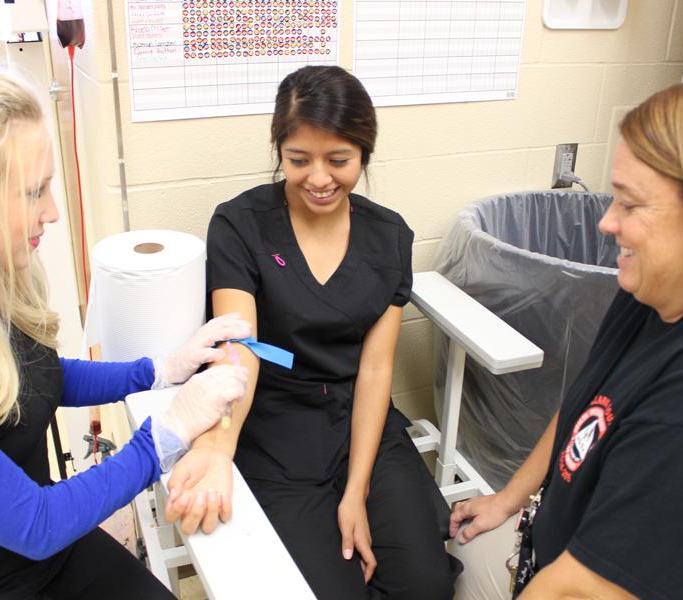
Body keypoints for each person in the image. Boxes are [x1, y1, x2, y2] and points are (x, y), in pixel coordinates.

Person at [0, 45, 251, 600]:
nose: (52, 212)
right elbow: (36, 524)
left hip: (40, 552)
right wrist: (167, 435)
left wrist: (159, 369)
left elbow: (42, 377)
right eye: (34, 192)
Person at [448, 70, 683, 599]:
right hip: (557, 548)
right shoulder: (652, 291)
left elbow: (585, 590)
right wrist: (510, 497)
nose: (606, 223)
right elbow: (589, 407)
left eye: (630, 203)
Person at [163, 65, 462, 599]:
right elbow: (242, 348)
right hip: (275, 423)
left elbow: (374, 370)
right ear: (279, 150)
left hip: (359, 420)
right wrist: (217, 446)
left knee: (424, 586)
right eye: (299, 160)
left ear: (364, 154)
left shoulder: (389, 236)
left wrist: (356, 491)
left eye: (339, 160)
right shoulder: (240, 225)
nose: (319, 178)